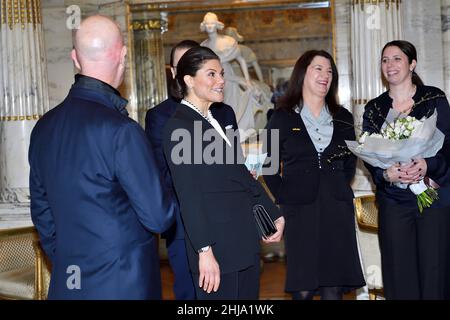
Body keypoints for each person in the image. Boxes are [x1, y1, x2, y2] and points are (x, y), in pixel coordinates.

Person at [28, 15, 175, 300]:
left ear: (75, 58)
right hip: (124, 284)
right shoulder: (122, 131)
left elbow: (42, 213)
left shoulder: (43, 127)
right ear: (123, 55)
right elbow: (158, 217)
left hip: (69, 282)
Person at [162, 46, 285, 299]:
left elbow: (240, 176)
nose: (221, 81)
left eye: (220, 74)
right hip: (216, 248)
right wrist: (204, 252)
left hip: (243, 241)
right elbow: (189, 196)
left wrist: (273, 213)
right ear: (188, 80)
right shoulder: (179, 127)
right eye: (211, 74)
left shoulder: (215, 119)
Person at [263, 50, 365, 300]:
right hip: (298, 211)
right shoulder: (281, 117)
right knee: (303, 286)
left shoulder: (343, 118)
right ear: (302, 73)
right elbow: (269, 167)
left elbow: (350, 161)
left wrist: (338, 185)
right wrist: (285, 198)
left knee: (333, 286)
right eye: (318, 68)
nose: (325, 75)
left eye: (329, 71)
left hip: (336, 208)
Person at [145, 40, 237, 300]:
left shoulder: (224, 112)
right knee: (191, 293)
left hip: (228, 219)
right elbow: (162, 174)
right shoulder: (160, 117)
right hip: (184, 224)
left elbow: (234, 161)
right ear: (177, 73)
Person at [363, 40, 450, 300]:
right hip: (394, 202)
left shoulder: (433, 98)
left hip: (432, 198)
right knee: (399, 275)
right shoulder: (374, 109)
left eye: (397, 58)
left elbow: (449, 144)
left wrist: (428, 165)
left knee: (435, 273)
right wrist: (386, 174)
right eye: (385, 60)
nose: (390, 65)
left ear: (412, 64)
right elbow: (369, 154)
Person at [200, 12, 272, 141]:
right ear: (204, 26)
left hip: (229, 79)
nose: (210, 26)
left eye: (212, 23)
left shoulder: (228, 42)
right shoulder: (203, 46)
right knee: (216, 109)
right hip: (212, 83)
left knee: (233, 106)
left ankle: (237, 134)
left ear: (217, 25)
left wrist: (247, 80)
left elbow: (241, 60)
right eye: (207, 24)